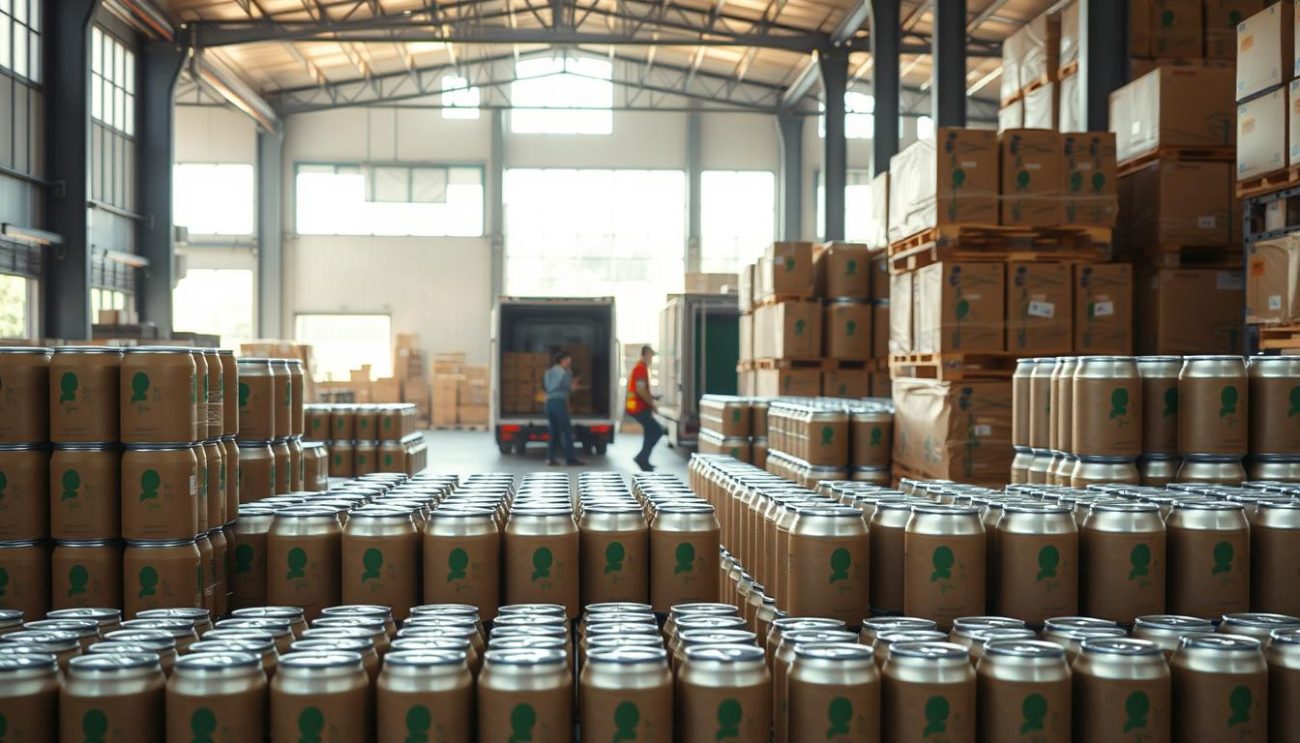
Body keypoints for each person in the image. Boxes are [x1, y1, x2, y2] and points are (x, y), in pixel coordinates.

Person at [626, 345, 664, 472]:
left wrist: (652, 397)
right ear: (646, 354)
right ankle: (642, 457)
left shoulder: (641, 368)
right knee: (657, 431)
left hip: (638, 407)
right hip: (638, 408)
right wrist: (653, 404)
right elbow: (640, 390)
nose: (652, 358)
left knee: (649, 431)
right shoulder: (640, 368)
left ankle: (644, 459)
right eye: (651, 355)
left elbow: (641, 389)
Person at [543, 351, 584, 466]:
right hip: (558, 403)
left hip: (549, 403)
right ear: (561, 361)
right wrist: (573, 386)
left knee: (554, 431)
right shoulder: (565, 373)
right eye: (567, 361)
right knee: (567, 430)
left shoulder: (548, 372)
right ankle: (570, 459)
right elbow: (565, 388)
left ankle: (550, 458)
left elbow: (548, 387)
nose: (569, 363)